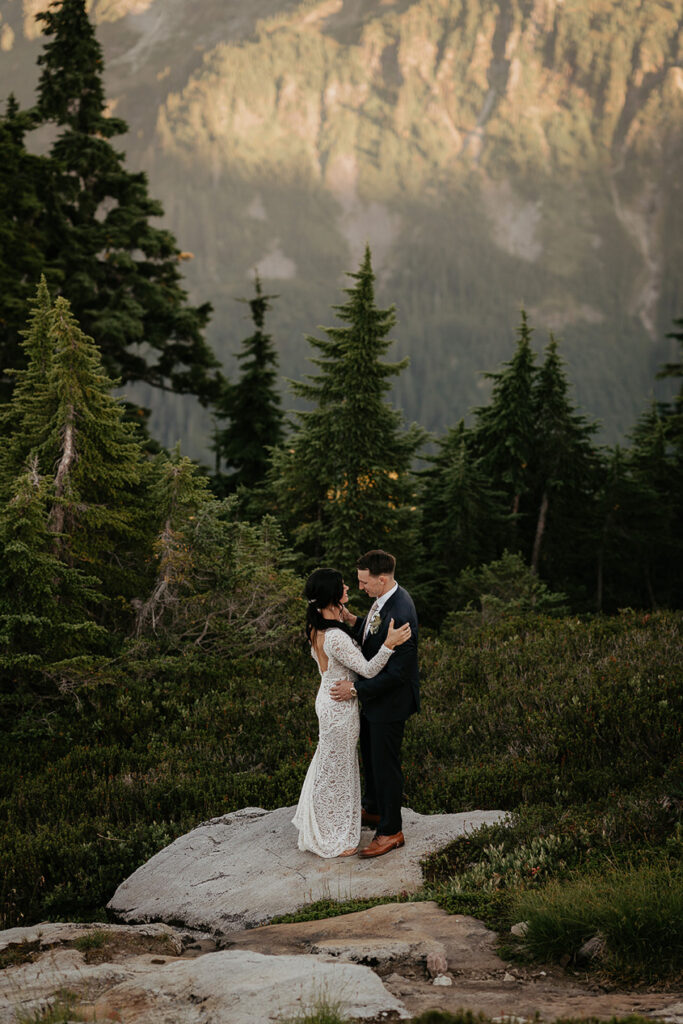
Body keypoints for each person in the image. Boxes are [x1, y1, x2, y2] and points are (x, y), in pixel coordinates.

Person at [292, 567, 411, 859]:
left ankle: (322, 821)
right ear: (332, 595)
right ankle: (334, 832)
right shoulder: (334, 637)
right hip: (340, 707)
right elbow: (368, 669)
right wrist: (388, 644)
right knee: (340, 768)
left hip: (327, 698)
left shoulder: (316, 627)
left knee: (329, 763)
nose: (348, 588)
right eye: (342, 586)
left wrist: (349, 619)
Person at [330, 549, 419, 858]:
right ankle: (375, 808)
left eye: (364, 582)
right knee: (371, 757)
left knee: (386, 766)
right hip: (374, 701)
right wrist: (355, 621)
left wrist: (355, 689)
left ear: (382, 579)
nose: (359, 588)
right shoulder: (382, 601)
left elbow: (398, 674)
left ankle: (391, 830)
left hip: (390, 703)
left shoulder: (401, 612)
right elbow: (373, 639)